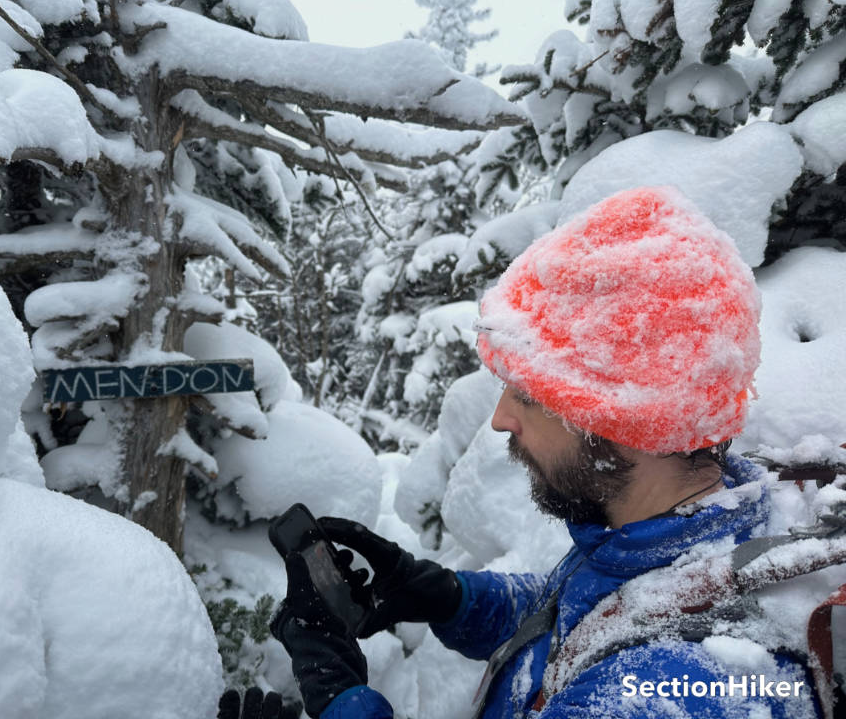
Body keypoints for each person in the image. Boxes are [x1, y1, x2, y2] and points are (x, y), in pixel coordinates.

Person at [270, 186, 820, 718]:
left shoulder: (663, 694)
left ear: (625, 418)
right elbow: (588, 620)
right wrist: (445, 596)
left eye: (529, 394)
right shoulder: (690, 530)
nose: (500, 418)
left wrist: (343, 701)